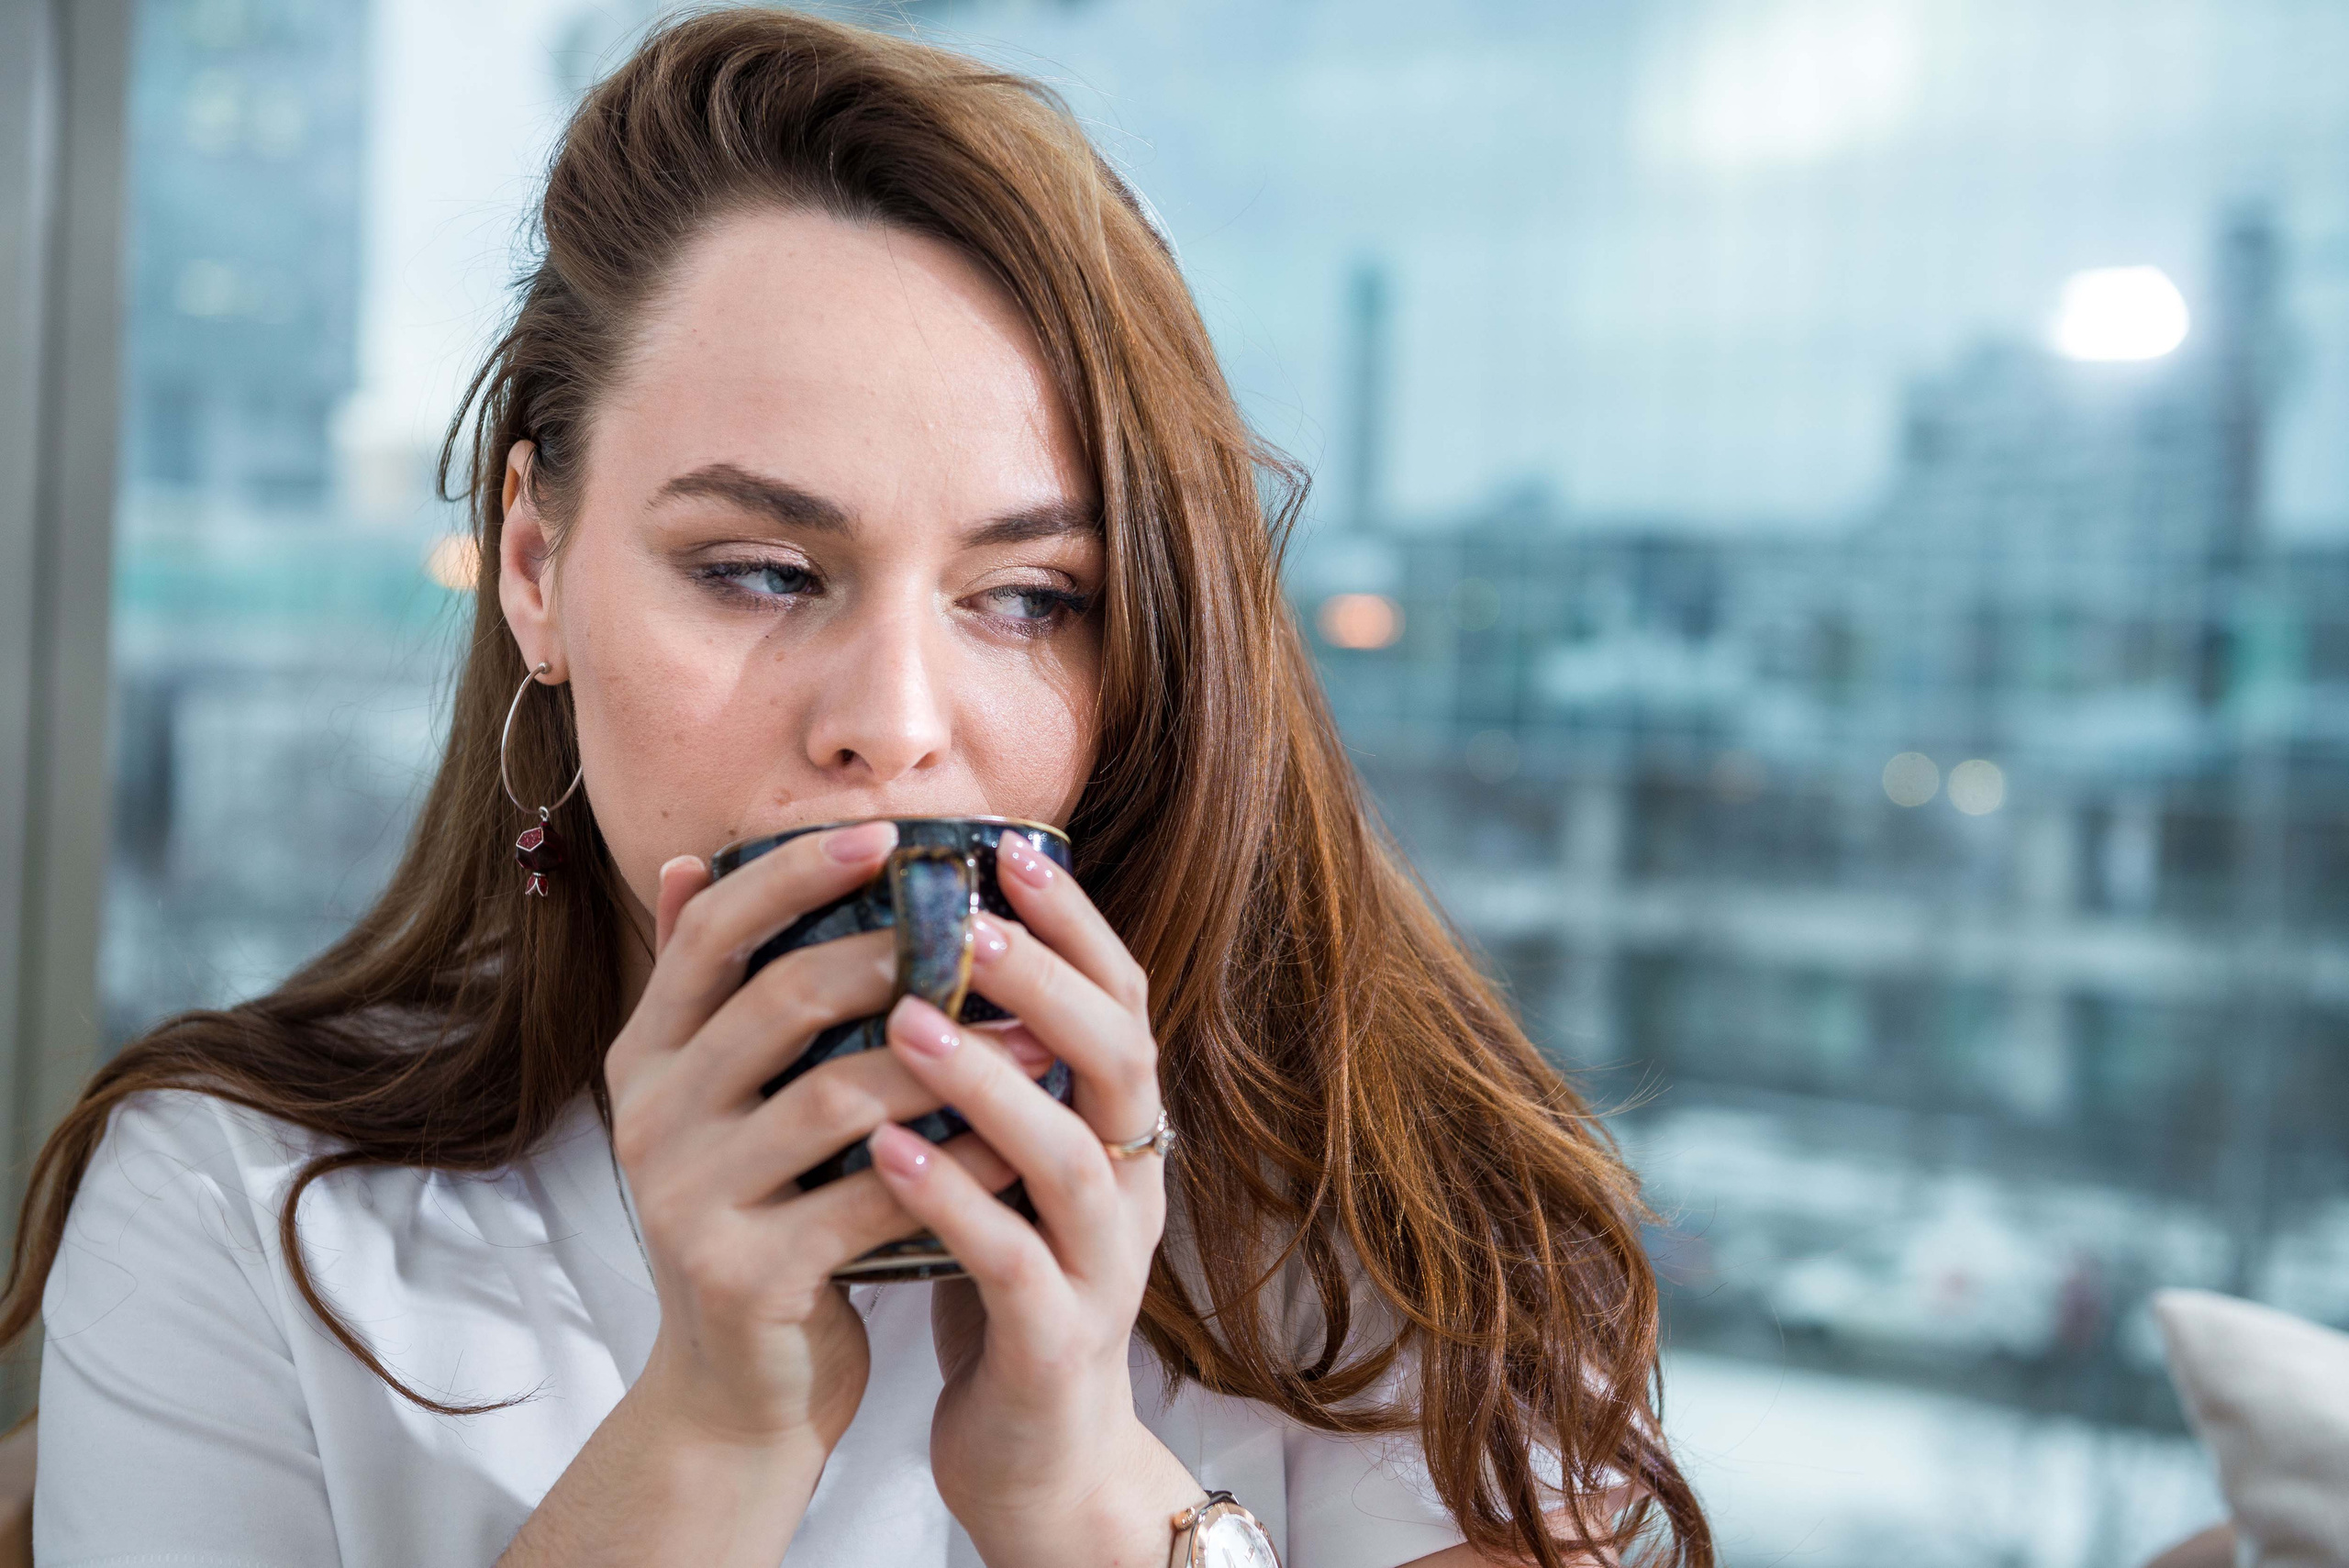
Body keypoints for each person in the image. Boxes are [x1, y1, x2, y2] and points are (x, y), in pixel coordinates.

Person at [6, 12, 1710, 1568]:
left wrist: (1083, 1490)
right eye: (757, 568)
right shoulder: (238, 1209)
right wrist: (713, 1434)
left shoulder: (1407, 1236)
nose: (893, 725)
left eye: (1032, 597)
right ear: (536, 564)